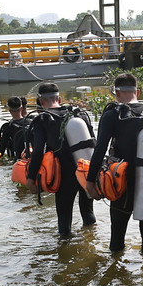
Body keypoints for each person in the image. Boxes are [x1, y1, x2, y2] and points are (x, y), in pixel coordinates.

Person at [85, 73, 143, 253]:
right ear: (137, 91)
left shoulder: (113, 114)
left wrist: (90, 182)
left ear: (116, 93)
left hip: (121, 182)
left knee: (117, 240)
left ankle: (116, 274)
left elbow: (100, 150)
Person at [25, 83, 96, 237]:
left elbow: (37, 152)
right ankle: (91, 241)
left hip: (64, 177)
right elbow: (93, 142)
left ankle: (64, 254)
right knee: (88, 214)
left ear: (41, 101)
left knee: (64, 221)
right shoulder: (80, 114)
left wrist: (31, 178)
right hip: (85, 171)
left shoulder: (42, 119)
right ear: (60, 98)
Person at [0, 95, 30, 160]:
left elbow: (1, 149)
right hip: (28, 156)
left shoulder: (7, 127)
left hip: (16, 159)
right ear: (21, 108)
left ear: (9, 110)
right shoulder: (31, 123)